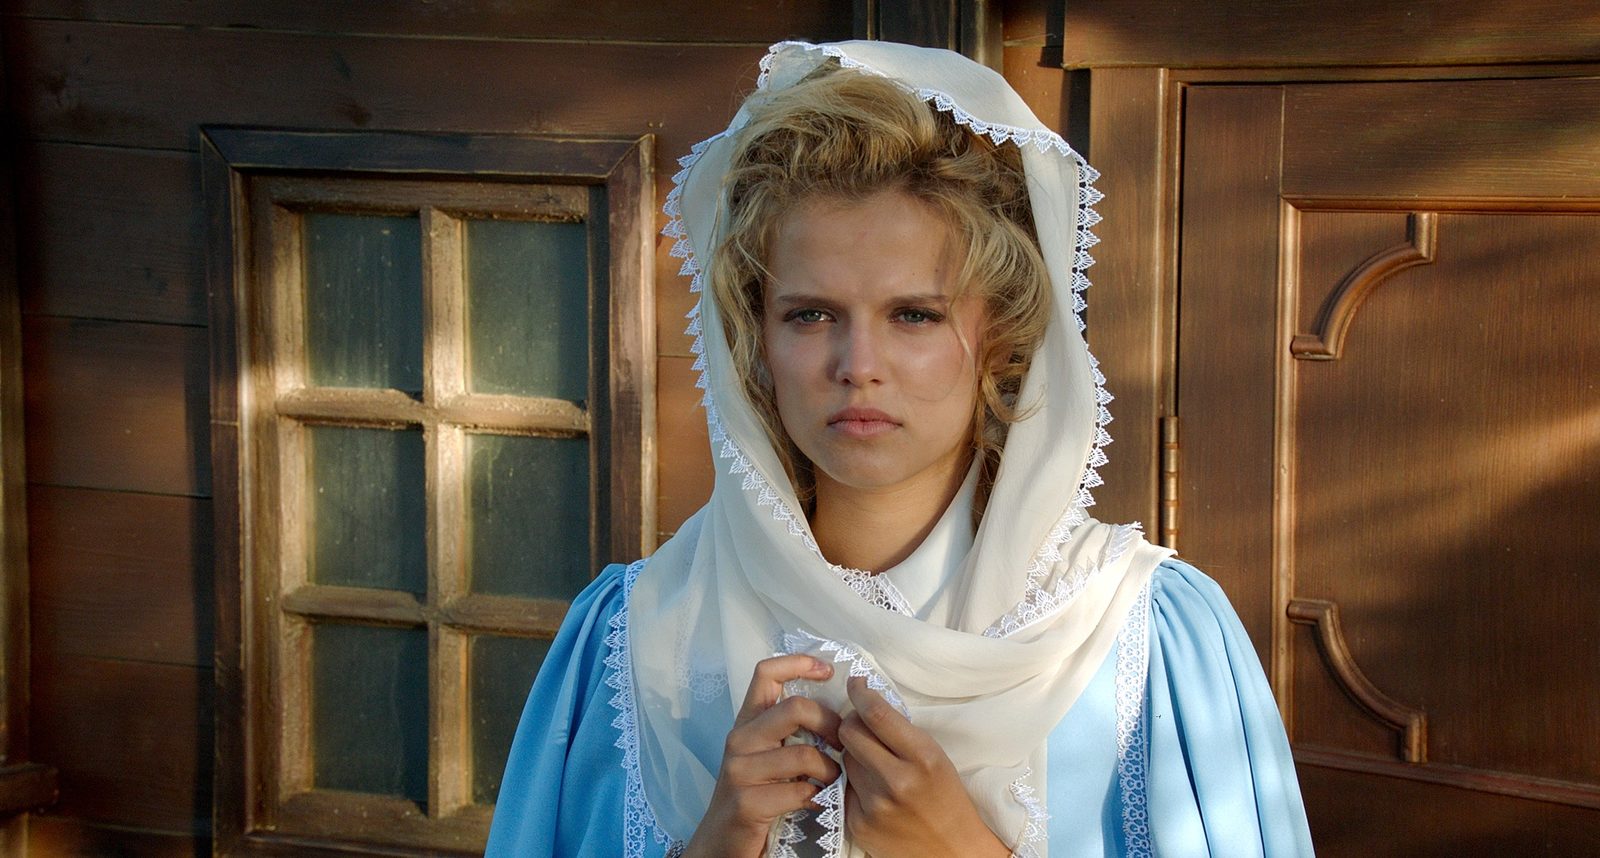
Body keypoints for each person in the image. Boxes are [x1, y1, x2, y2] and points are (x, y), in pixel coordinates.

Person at [486, 40, 1314, 858]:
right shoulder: (633, 640)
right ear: (755, 340)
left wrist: (960, 849)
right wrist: (715, 844)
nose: (858, 366)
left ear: (1001, 336)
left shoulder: (1141, 638)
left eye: (914, 315)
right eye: (810, 314)